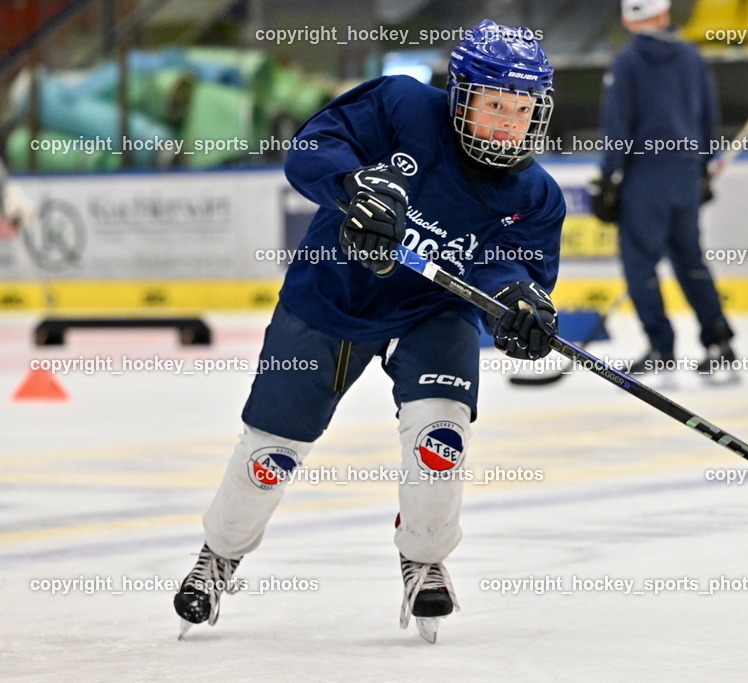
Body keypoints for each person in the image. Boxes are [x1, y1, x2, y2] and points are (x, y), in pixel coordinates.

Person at [173, 19, 564, 644]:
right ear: (460, 95)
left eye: (520, 110)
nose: (507, 124)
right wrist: (353, 185)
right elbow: (311, 148)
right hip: (334, 296)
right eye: (493, 105)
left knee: (442, 435)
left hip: (433, 312)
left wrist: (521, 306)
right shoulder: (401, 104)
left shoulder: (537, 196)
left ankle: (426, 556)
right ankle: (219, 553)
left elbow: (517, 273)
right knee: (272, 447)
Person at [594, 0, 737, 380]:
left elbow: (618, 125)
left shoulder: (627, 62)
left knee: (639, 262)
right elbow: (709, 117)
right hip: (685, 173)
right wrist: (703, 168)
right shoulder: (692, 58)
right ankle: (719, 339)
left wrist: (610, 179)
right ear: (665, 13)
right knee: (690, 260)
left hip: (645, 177)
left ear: (628, 18)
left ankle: (661, 347)